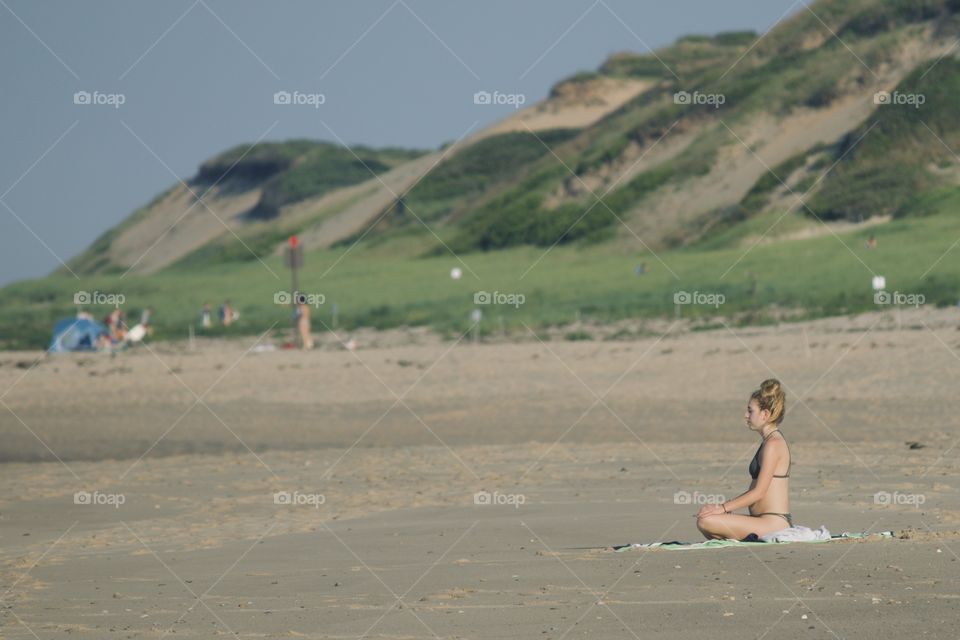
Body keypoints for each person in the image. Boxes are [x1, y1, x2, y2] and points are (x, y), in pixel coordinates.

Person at [696, 378, 792, 540]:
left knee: (706, 520)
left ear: (765, 414)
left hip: (775, 523)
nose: (746, 415)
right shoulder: (769, 441)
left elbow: (759, 492)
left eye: (750, 410)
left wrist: (723, 508)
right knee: (705, 520)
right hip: (761, 521)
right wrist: (725, 509)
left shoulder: (774, 444)